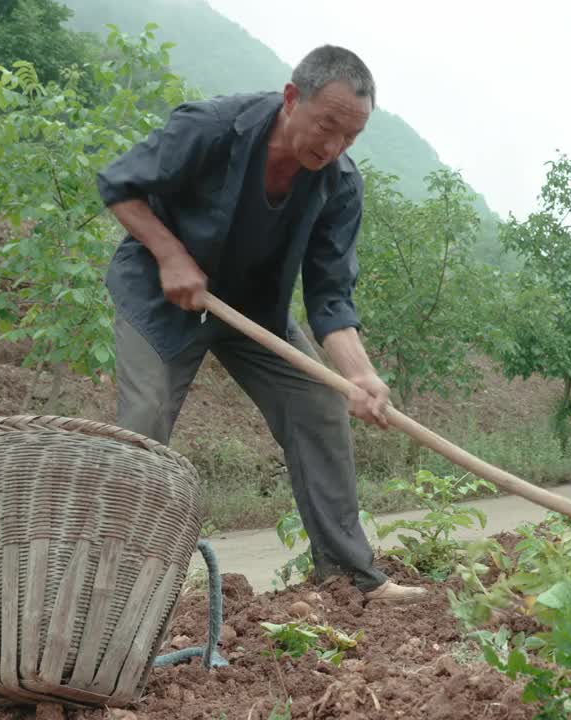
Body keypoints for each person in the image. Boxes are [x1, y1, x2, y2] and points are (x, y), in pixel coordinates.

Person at [95, 45, 426, 604]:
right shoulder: (212, 128)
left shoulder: (340, 184)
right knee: (144, 422)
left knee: (320, 406)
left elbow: (329, 296)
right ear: (292, 98)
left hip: (253, 314)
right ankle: (115, 590)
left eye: (350, 137)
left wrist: (360, 377)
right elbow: (119, 185)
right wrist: (171, 254)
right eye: (326, 126)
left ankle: (350, 578)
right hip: (161, 297)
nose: (333, 146)